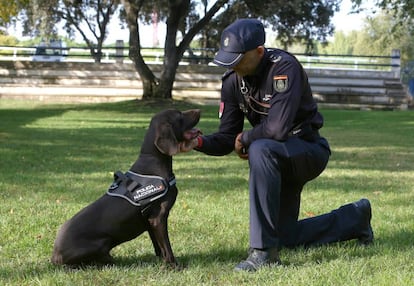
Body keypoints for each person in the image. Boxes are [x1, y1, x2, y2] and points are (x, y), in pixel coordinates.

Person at [181, 18, 373, 272]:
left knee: (260, 147)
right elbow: (228, 138)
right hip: (274, 160)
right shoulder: (231, 82)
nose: (233, 64)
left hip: (307, 150)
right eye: (229, 58)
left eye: (238, 58)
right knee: (285, 236)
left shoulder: (284, 68)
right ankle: (355, 218)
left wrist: (246, 138)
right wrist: (197, 141)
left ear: (259, 51)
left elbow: (277, 128)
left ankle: (263, 253)